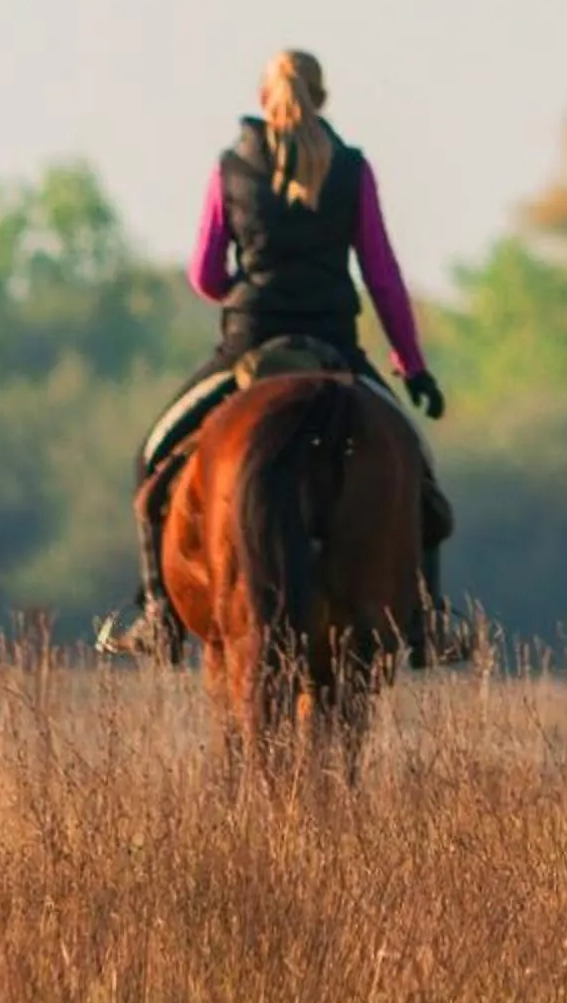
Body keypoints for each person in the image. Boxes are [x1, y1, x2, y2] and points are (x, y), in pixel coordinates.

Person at [95, 49, 465, 662]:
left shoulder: (231, 168)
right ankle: (426, 622)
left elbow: (206, 274)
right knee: (417, 470)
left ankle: (158, 615)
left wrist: (245, 283)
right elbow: (382, 274)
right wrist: (411, 364)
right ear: (321, 98)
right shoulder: (352, 169)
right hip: (335, 344)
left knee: (152, 457)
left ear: (265, 99)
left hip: (249, 340)